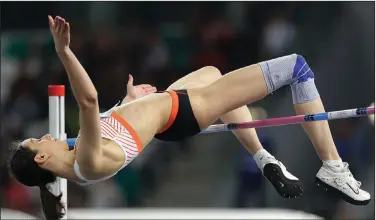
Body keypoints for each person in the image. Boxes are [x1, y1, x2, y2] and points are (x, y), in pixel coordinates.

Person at [9, 15, 370, 219]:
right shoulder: (85, 161)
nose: (47, 136)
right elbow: (88, 101)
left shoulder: (78, 155)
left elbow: (113, 123)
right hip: (183, 112)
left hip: (168, 111)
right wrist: (64, 51)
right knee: (297, 67)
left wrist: (129, 102)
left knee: (212, 71)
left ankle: (263, 157)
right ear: (42, 157)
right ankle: (332, 166)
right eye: (38, 141)